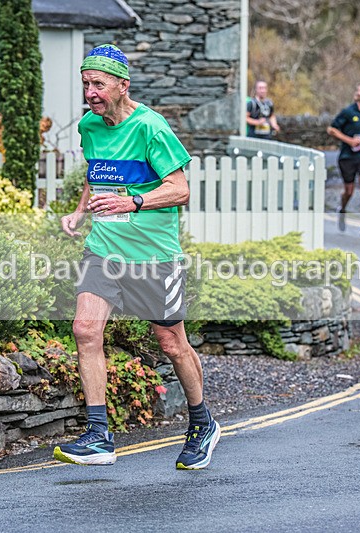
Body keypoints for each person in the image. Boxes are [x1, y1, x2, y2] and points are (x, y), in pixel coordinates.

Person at [55, 44, 220, 469]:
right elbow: (98, 175)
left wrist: (134, 203)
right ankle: (98, 435)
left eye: (99, 84)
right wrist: (78, 211)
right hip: (105, 249)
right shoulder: (91, 126)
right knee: (85, 329)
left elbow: (180, 189)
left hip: (153, 256)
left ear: (123, 86)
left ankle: (202, 422)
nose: (90, 93)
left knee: (171, 343)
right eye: (86, 84)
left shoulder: (151, 127)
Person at [327, 82, 360, 236]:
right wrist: (349, 141)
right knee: (349, 191)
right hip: (348, 157)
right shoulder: (348, 112)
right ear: (357, 94)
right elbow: (331, 129)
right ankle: (342, 209)